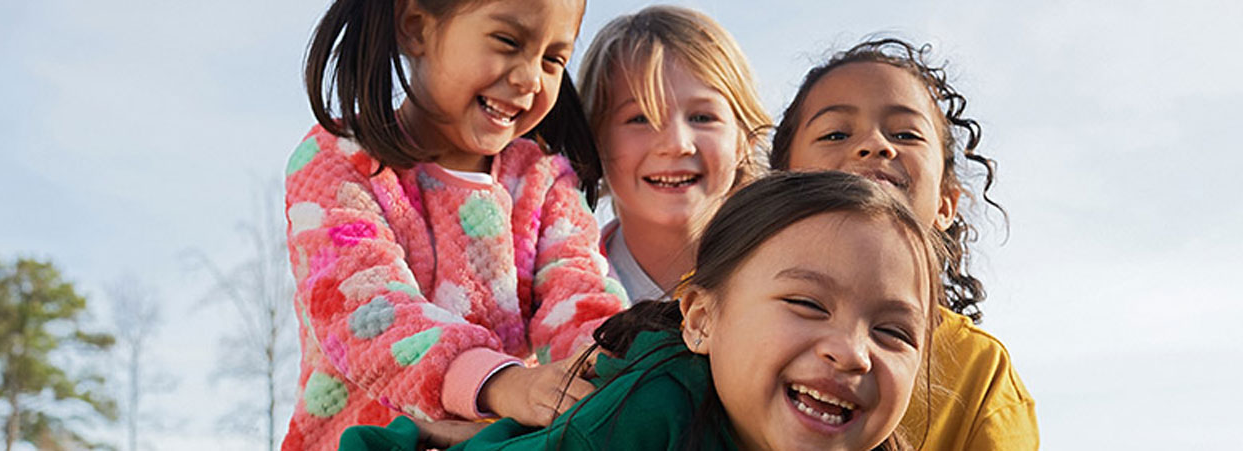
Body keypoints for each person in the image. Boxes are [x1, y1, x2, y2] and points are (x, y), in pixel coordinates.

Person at [343, 170, 951, 450]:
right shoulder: (654, 408)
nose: (851, 350)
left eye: (894, 332)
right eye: (806, 303)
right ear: (701, 319)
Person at [280, 0, 628, 448]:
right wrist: (502, 384)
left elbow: (580, 299)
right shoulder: (337, 162)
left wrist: (620, 367)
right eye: (507, 41)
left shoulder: (544, 180)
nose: (529, 78)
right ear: (416, 28)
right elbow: (366, 313)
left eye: (552, 59)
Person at [772, 38, 1039, 450]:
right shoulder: (719, 307)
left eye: (906, 134)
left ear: (947, 203)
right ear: (776, 187)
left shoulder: (980, 373)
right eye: (836, 133)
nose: (875, 144)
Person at [574, 5, 772, 303]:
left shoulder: (793, 277)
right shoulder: (555, 297)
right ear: (594, 141)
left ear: (746, 138)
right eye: (641, 119)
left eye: (702, 117)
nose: (677, 144)